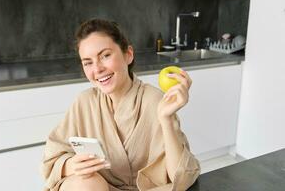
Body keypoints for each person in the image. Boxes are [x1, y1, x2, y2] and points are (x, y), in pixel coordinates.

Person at [41, 18, 200, 191]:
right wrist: (71, 164)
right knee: (87, 182)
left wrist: (166, 120)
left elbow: (181, 178)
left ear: (128, 55)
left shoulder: (155, 100)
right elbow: (52, 157)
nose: (97, 69)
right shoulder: (84, 102)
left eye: (105, 55)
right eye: (88, 62)